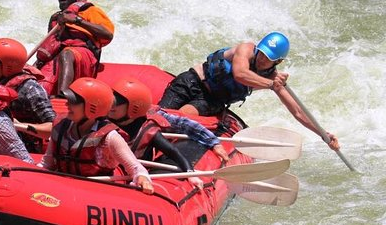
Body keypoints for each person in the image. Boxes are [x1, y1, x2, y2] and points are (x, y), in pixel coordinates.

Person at [159, 32, 340, 150]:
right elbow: (240, 74)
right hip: (192, 81)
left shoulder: (273, 77)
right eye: (261, 53)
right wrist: (271, 85)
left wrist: (323, 134)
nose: (262, 59)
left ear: (277, 62)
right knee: (157, 117)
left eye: (268, 58)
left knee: (180, 118)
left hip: (210, 102)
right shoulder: (246, 49)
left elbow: (298, 111)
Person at [109, 77, 233, 190]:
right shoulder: (102, 118)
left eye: (117, 102)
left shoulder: (150, 129)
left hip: (132, 168)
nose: (111, 106)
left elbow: (174, 151)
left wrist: (191, 174)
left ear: (134, 108)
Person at [39, 77, 154, 194]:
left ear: (91, 108)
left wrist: (143, 179)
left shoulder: (110, 138)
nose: (67, 104)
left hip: (93, 194)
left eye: (73, 102)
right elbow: (47, 163)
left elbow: (136, 168)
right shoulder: (61, 125)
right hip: (62, 189)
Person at [34, 0, 115, 96]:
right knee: (33, 76)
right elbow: (49, 47)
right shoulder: (56, 18)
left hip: (83, 57)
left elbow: (107, 34)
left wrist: (77, 20)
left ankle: (63, 95)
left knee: (67, 54)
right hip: (60, 58)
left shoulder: (90, 11)